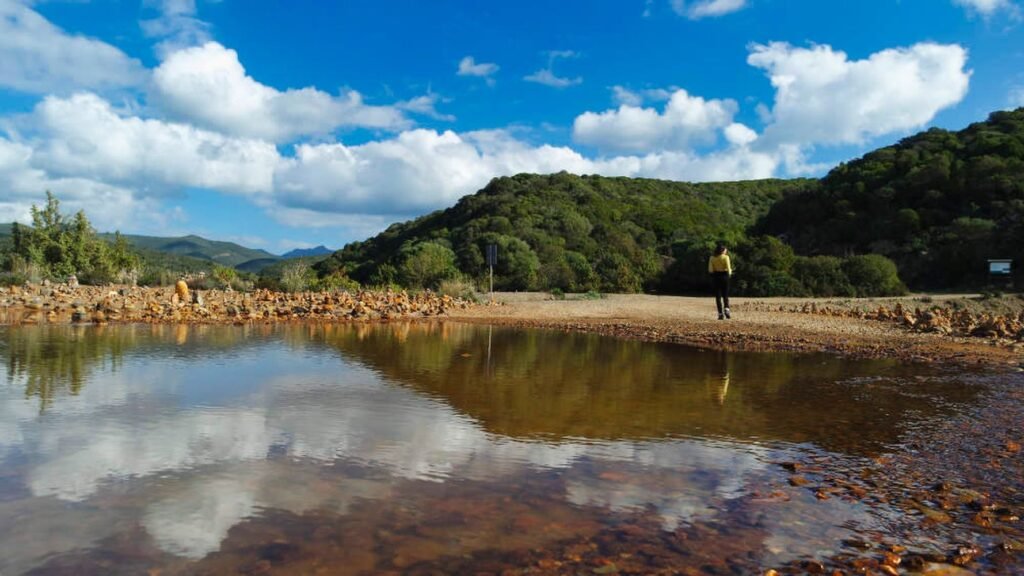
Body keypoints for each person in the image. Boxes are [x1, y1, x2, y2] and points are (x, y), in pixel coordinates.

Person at [707, 243, 732, 320]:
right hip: (724, 276)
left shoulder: (712, 258)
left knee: (718, 296)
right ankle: (727, 309)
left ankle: (720, 313)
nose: (726, 251)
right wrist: (729, 274)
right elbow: (728, 268)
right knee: (725, 294)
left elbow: (710, 270)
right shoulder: (726, 257)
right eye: (725, 250)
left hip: (716, 276)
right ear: (723, 250)